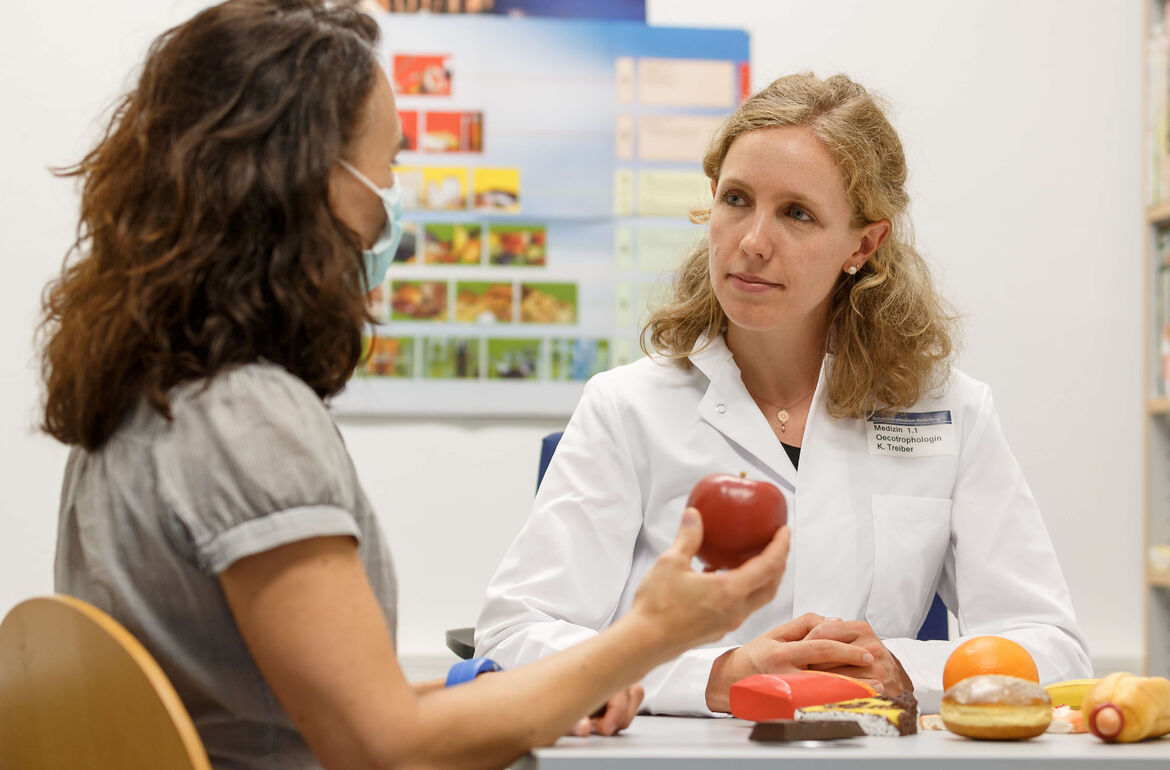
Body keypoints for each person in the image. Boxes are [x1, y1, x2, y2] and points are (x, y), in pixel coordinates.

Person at [37, 2, 790, 768]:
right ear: (311, 183)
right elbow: (385, 747)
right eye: (390, 168)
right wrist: (653, 634)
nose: (395, 204)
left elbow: (319, 710)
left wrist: (568, 680)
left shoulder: (151, 398)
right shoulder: (247, 419)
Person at [474, 72, 1093, 716]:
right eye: (736, 199)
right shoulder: (627, 407)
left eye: (797, 213)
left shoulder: (951, 413)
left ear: (864, 243)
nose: (751, 242)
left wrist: (900, 667)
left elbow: (1051, 647)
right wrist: (719, 676)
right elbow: (514, 635)